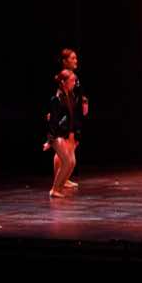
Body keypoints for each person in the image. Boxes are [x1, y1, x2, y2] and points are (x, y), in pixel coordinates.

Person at [54, 49, 88, 189]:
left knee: (71, 146)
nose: (75, 61)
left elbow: (78, 93)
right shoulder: (64, 76)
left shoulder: (74, 76)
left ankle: (64, 177)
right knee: (62, 150)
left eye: (76, 58)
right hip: (67, 116)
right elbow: (60, 98)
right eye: (72, 58)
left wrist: (84, 101)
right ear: (65, 61)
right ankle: (60, 178)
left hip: (74, 114)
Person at [46, 69, 80, 198]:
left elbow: (71, 117)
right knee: (66, 161)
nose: (74, 83)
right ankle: (54, 189)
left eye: (74, 81)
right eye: (72, 81)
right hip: (56, 134)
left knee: (71, 162)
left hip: (65, 133)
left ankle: (58, 188)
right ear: (63, 82)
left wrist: (75, 134)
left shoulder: (70, 96)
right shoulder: (56, 98)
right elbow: (53, 121)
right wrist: (49, 141)